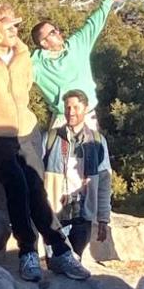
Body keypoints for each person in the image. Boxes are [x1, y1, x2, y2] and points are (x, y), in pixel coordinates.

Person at [0, 2, 91, 284]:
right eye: (9, 26)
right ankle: (29, 251)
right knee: (17, 184)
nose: (16, 30)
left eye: (16, 25)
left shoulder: (22, 53)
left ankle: (59, 253)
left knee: (35, 188)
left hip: (24, 129)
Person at [41, 89, 113, 259]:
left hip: (83, 211)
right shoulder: (50, 138)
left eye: (75, 107)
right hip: (56, 210)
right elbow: (35, 176)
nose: (70, 112)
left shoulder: (97, 141)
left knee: (76, 259)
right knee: (56, 261)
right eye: (67, 108)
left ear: (85, 109)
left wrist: (103, 218)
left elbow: (104, 182)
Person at [30, 0, 116, 125]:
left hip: (88, 117)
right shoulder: (35, 63)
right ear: (44, 43)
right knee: (57, 146)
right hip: (62, 119)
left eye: (56, 29)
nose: (58, 33)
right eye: (53, 33)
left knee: (94, 145)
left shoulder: (77, 45)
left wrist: (109, 0)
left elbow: (93, 24)